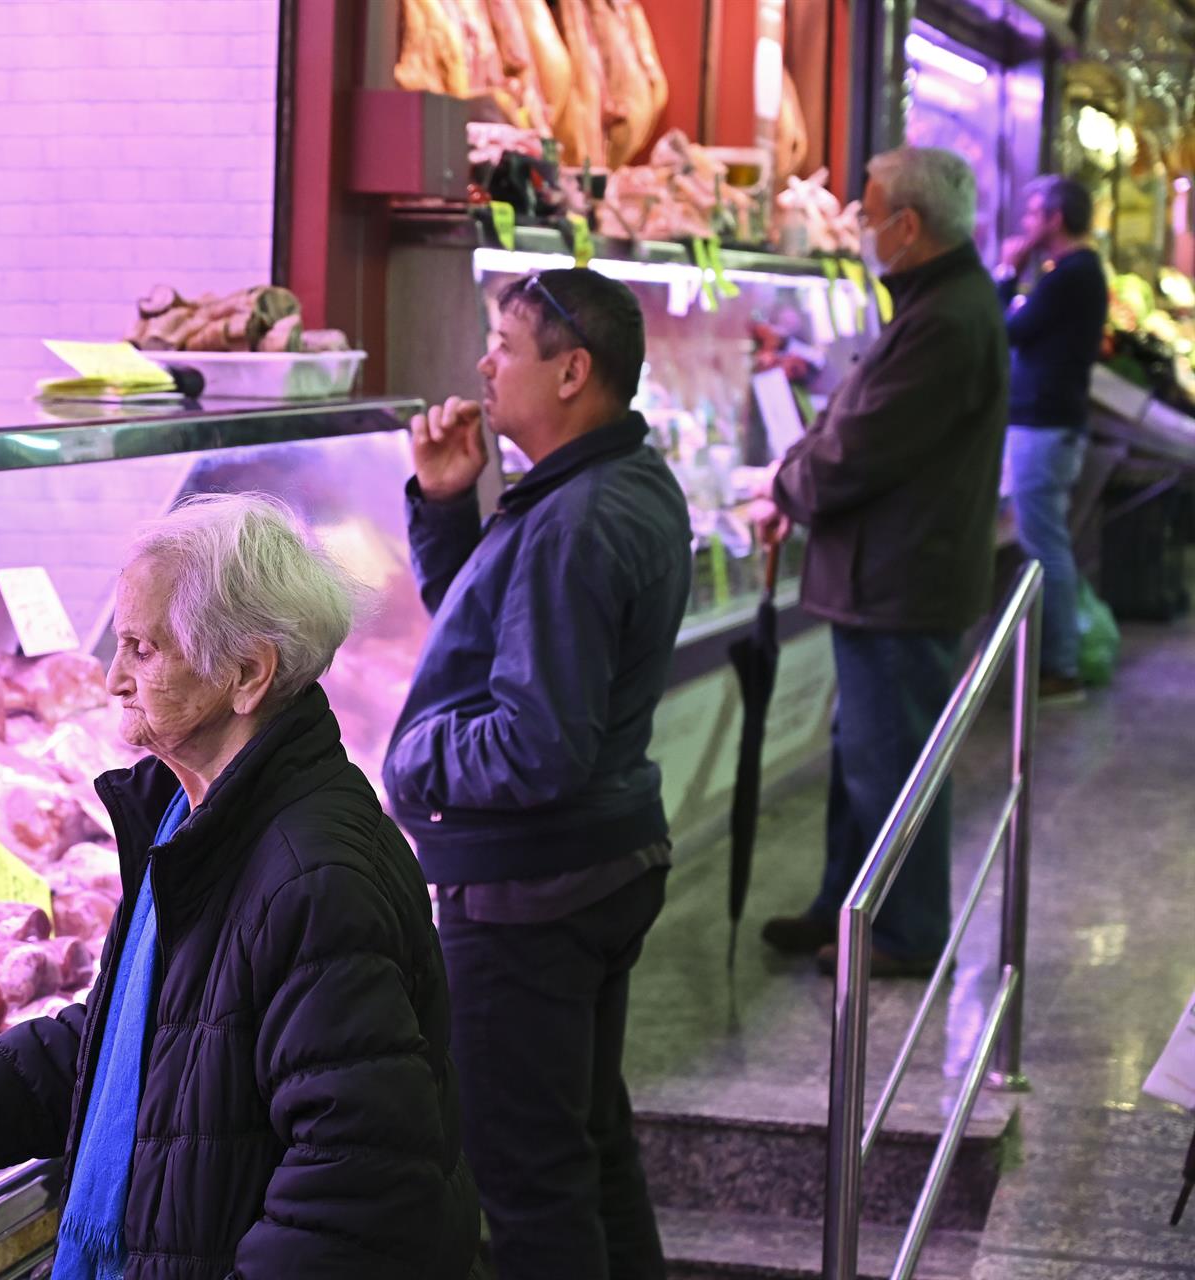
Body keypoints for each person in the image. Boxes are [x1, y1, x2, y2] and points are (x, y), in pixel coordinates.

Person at [0, 493, 479, 1280]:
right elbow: (153, 1035)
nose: (113, 677)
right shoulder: (191, 818)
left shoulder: (313, 879)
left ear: (248, 675)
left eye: (142, 649)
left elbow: (352, 1195)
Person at [384, 268, 692, 1280]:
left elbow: (535, 742)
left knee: (527, 1184)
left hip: (530, 894)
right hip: (596, 863)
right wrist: (443, 501)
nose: (482, 363)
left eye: (504, 345)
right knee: (589, 1151)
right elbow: (490, 636)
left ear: (572, 371)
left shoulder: (576, 520)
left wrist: (410, 754)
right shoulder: (608, 484)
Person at [753, 146, 1009, 977]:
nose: (859, 229)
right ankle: (846, 908)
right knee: (864, 754)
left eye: (867, 214)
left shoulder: (946, 318)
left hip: (902, 580)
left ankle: (902, 932)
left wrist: (785, 485)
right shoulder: (934, 303)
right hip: (883, 575)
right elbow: (853, 422)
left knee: (893, 761)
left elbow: (859, 448)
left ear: (908, 224)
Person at [997, 176, 1108, 701]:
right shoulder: (1073, 273)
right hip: (1049, 425)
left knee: (1045, 549)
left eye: (1032, 212)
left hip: (1045, 427)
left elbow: (1007, 331)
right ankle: (1056, 660)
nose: (1024, 223)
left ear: (1055, 218)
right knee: (1047, 543)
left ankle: (1060, 667)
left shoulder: (1071, 274)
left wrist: (1005, 272)